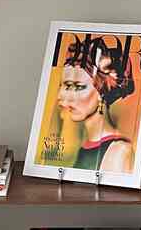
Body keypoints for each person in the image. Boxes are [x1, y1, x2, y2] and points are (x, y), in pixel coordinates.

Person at [56, 37, 136, 173]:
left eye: (77, 87)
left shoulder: (119, 151)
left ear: (102, 91)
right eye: (63, 86)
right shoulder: (85, 147)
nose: (62, 97)